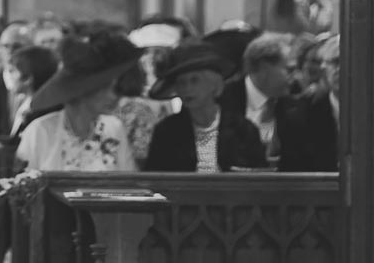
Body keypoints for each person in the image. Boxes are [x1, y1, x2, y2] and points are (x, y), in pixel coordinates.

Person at [16, 27, 139, 172]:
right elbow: (23, 182)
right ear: (82, 91)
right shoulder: (40, 131)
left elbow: (129, 180)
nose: (113, 96)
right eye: (104, 88)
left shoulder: (114, 128)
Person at [144, 41, 267, 172]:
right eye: (181, 82)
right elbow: (155, 178)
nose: (187, 88)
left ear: (213, 84)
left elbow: (258, 177)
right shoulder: (166, 132)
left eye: (194, 80)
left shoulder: (243, 129)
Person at [218, 32, 295, 166]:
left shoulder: (295, 101)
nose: (295, 76)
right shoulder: (223, 99)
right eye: (289, 70)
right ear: (264, 68)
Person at [279, 34, 340, 172]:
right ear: (324, 68)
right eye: (336, 62)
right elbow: (291, 172)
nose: (342, 69)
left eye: (352, 62)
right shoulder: (298, 114)